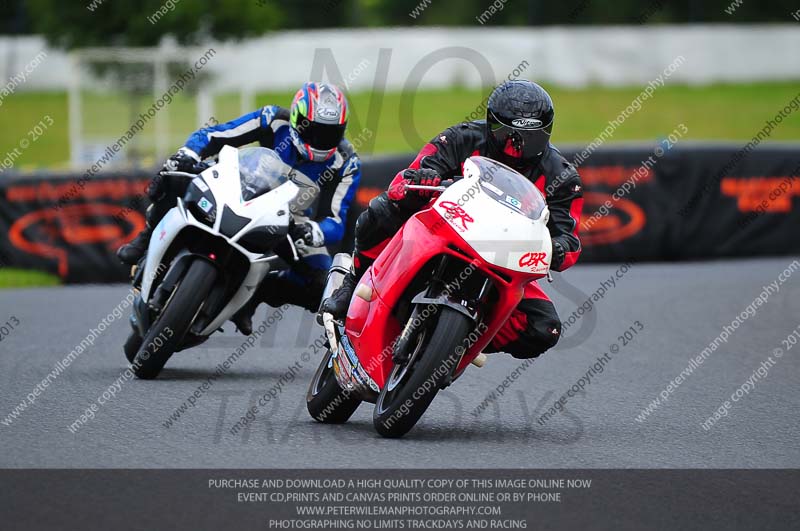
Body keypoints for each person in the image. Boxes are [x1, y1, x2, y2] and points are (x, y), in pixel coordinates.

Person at [322, 80, 582, 359]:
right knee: (383, 211)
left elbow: (570, 238)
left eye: (529, 138)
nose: (516, 148)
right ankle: (353, 281)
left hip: (503, 256)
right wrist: (421, 179)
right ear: (490, 124)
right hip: (446, 227)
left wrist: (559, 249)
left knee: (545, 329)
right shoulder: (461, 138)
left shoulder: (563, 178)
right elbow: (406, 180)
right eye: (507, 135)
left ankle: (459, 341)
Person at [117, 82, 361, 335]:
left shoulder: (346, 162)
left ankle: (257, 293)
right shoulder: (273, 120)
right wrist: (188, 153)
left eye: (330, 134)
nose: (320, 140)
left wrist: (315, 231)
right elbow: (216, 134)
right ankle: (145, 240)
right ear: (297, 120)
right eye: (314, 130)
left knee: (322, 284)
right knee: (172, 175)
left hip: (289, 221)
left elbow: (336, 220)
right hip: (242, 186)